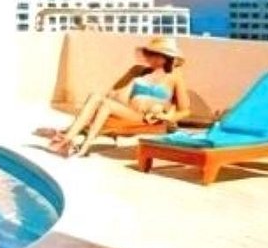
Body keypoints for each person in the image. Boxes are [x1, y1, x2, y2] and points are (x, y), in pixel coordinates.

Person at [42, 35, 190, 157]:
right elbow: (116, 94)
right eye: (149, 54)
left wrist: (167, 117)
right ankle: (72, 140)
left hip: (149, 119)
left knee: (104, 104)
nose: (150, 58)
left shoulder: (175, 76)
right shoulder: (139, 71)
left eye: (155, 55)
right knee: (97, 97)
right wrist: (132, 79)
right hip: (131, 112)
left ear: (166, 57)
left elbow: (185, 110)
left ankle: (80, 145)